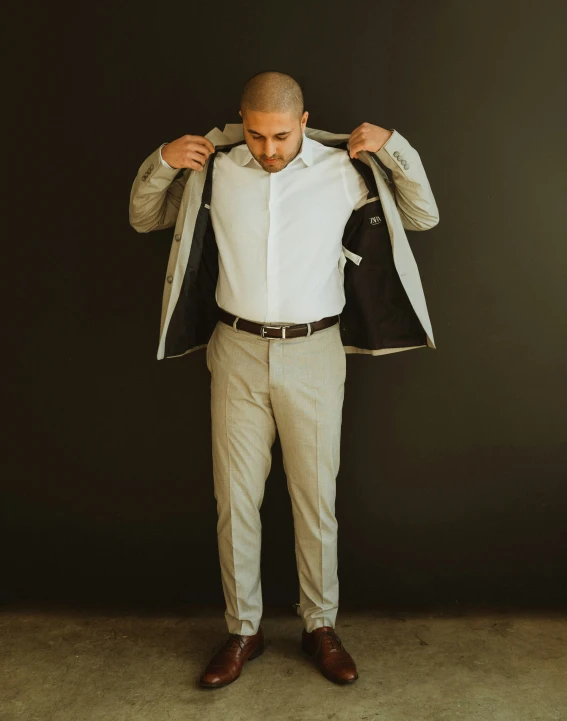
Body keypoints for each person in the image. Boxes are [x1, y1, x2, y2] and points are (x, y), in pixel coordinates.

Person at [129, 70, 437, 689]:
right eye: (256, 135)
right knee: (235, 502)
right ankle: (243, 631)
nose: (268, 150)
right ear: (242, 123)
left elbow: (422, 216)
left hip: (315, 351)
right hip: (235, 350)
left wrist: (396, 146)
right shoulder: (214, 168)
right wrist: (160, 161)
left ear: (303, 121)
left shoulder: (343, 170)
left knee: (314, 501)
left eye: (279, 136)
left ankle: (320, 625)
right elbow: (144, 218)